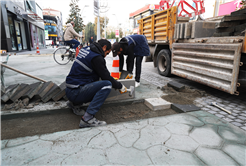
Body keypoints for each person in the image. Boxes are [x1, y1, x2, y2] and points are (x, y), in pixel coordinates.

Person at [65, 39, 128, 128]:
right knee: (106, 85)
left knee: (96, 78)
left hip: (69, 90)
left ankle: (74, 104)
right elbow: (106, 77)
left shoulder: (86, 49)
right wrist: (120, 86)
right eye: (107, 53)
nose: (105, 56)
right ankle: (87, 119)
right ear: (104, 47)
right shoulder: (96, 57)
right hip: (76, 92)